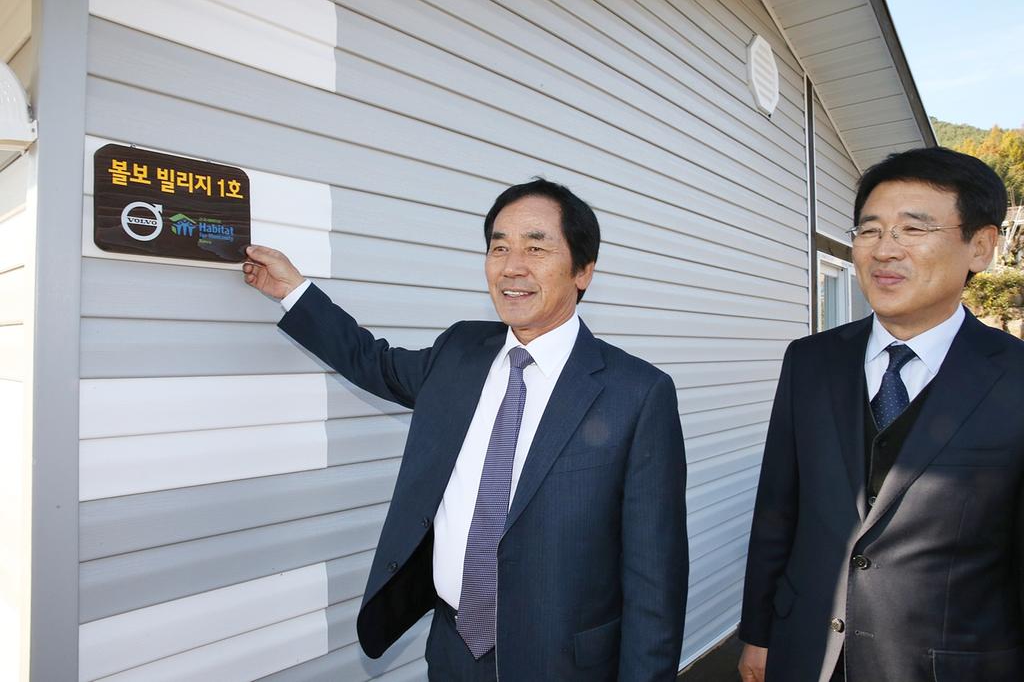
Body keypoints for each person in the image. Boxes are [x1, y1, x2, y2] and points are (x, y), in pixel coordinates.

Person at [244, 179, 688, 681]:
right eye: (499, 247)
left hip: (563, 663)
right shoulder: (460, 352)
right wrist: (292, 291)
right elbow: (374, 362)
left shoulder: (637, 393)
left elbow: (655, 580)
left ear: (583, 270)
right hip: (453, 649)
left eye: (535, 248)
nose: (512, 267)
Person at [737, 147, 1024, 682]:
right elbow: (778, 509)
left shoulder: (1014, 376)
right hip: (806, 652)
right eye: (869, 231)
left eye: (913, 229)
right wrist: (759, 633)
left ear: (981, 247)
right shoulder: (810, 361)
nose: (884, 250)